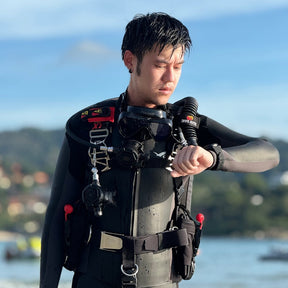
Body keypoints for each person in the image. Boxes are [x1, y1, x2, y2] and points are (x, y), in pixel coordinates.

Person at [40, 12, 280, 288]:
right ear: (130, 60)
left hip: (162, 281)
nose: (170, 78)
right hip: (93, 279)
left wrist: (211, 157)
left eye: (177, 66)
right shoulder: (87, 126)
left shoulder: (186, 127)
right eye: (160, 65)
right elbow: (56, 217)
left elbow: (268, 153)